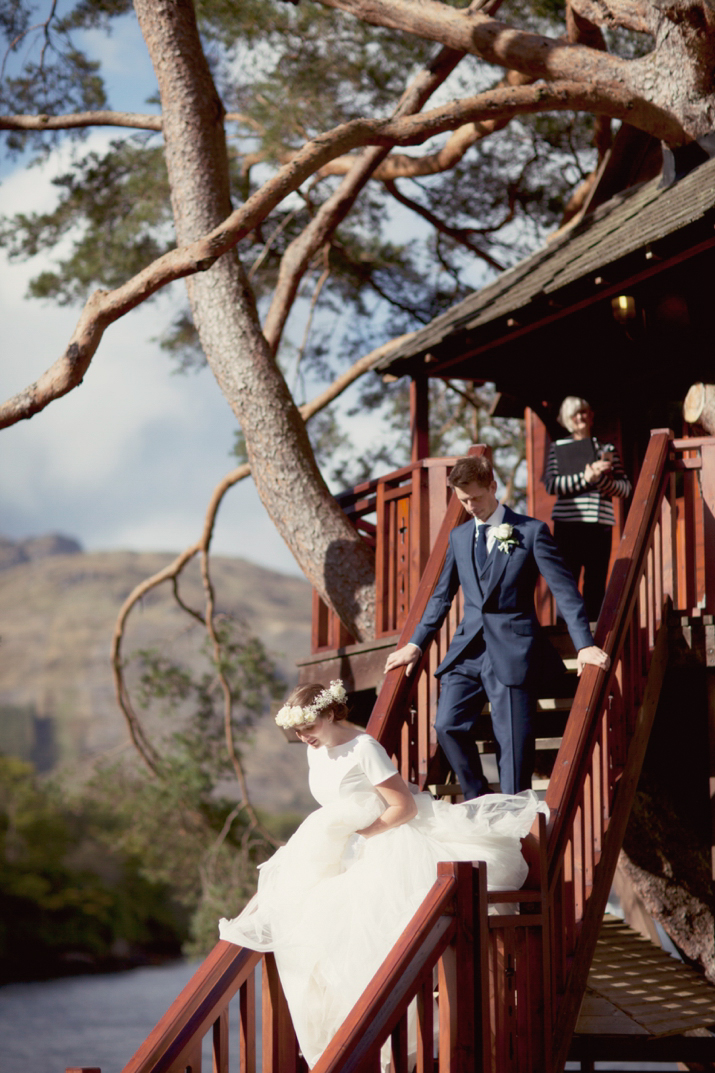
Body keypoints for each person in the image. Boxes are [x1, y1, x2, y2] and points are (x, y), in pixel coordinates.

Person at [219, 680, 547, 1068]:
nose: (302, 735)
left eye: (308, 726)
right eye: (296, 729)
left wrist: (365, 833)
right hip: (344, 839)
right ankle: (351, 1038)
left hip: (387, 834)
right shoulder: (316, 750)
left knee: (377, 930)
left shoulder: (364, 748)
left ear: (329, 713)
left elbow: (403, 806)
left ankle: (401, 1034)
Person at [384, 454, 610, 800]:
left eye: (476, 497)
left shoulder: (532, 532)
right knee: (446, 726)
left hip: (513, 650)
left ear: (493, 486)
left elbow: (565, 591)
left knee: (514, 745)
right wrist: (415, 644)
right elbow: (441, 597)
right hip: (467, 651)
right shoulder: (459, 537)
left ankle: (512, 818)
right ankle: (479, 800)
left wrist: (583, 644)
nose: (471, 506)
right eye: (463, 500)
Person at [542, 397, 631, 623]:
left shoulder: (607, 448)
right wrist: (585, 477)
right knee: (566, 578)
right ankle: (566, 629)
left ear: (591, 416)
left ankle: (594, 630)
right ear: (567, 420)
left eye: (584, 412)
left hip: (599, 524)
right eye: (575, 414)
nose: (581, 417)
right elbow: (552, 484)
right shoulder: (557, 448)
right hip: (567, 525)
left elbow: (625, 488)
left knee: (596, 580)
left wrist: (600, 481)